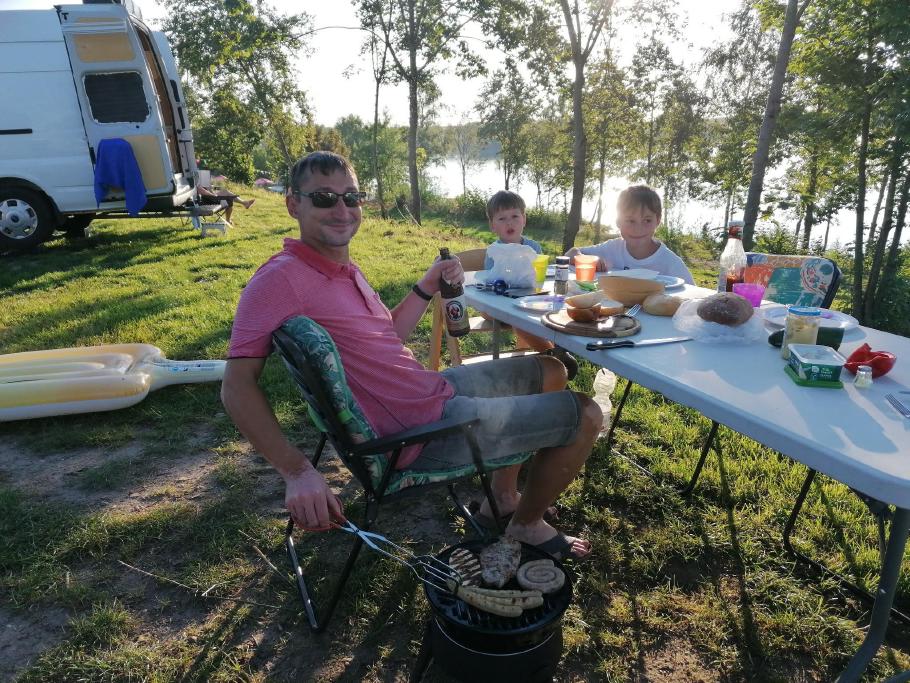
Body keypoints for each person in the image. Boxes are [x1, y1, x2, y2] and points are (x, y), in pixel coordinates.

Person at [221, 151, 602, 560]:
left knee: (550, 369)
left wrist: (426, 285)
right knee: (586, 414)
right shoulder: (278, 280)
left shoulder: (341, 268)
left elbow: (389, 335)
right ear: (293, 204)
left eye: (351, 197)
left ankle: (504, 498)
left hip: (428, 393)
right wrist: (297, 471)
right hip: (422, 432)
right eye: (324, 198)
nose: (342, 210)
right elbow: (236, 386)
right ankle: (526, 525)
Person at [483, 190, 578, 379]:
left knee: (554, 308)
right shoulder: (494, 251)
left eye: (515, 216)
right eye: (502, 218)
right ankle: (554, 356)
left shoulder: (533, 248)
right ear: (493, 225)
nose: (509, 223)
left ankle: (556, 351)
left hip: (528, 300)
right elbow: (489, 284)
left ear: (524, 219)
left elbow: (540, 278)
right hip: (495, 307)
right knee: (521, 320)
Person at [565, 185, 694, 284]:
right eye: (630, 221)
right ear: (618, 221)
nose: (638, 229)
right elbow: (570, 254)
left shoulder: (671, 263)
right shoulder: (612, 248)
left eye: (647, 220)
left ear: (658, 221)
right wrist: (587, 259)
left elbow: (694, 300)